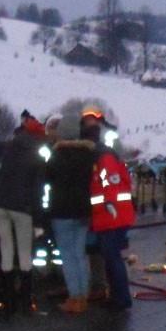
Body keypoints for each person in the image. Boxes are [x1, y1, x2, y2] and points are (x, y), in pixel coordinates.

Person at [0, 110, 46, 315]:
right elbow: (37, 191)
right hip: (22, 209)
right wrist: (39, 223)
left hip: (0, 205)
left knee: (6, 249)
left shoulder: (9, 147)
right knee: (24, 254)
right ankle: (25, 302)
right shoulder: (37, 156)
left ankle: (7, 303)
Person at [81, 108, 135, 311]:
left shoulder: (104, 157)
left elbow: (109, 188)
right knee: (111, 259)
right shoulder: (104, 155)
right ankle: (117, 296)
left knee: (113, 259)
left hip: (112, 217)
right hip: (109, 217)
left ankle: (121, 299)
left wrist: (109, 212)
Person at [42, 114, 97, 314]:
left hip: (62, 211)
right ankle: (84, 295)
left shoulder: (57, 155)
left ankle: (74, 297)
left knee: (68, 256)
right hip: (83, 211)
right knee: (80, 254)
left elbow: (46, 178)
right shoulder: (88, 155)